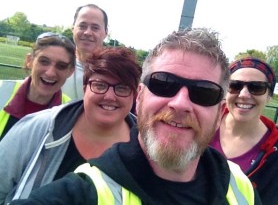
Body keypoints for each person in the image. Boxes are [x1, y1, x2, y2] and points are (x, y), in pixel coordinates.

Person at [9, 28, 262, 205]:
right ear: (139, 98)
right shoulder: (88, 190)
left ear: (220, 113)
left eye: (204, 92)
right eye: (164, 83)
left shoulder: (239, 185)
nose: (180, 103)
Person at [0, 46, 142, 205]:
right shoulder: (37, 128)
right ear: (85, 88)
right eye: (100, 85)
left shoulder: (147, 148)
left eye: (122, 88)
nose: (109, 96)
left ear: (134, 95)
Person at [210, 57, 278, 205]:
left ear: (269, 96)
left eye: (257, 87)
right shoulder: (202, 124)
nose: (244, 94)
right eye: (235, 86)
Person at [0, 32, 75, 140]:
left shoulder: (70, 113)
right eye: (44, 61)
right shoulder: (2, 90)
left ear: (70, 71)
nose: (50, 73)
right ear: (29, 61)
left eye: (61, 66)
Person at [61, 4, 108, 99]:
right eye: (82, 26)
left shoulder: (114, 71)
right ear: (73, 29)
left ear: (105, 33)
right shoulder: (57, 66)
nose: (87, 33)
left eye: (95, 28)